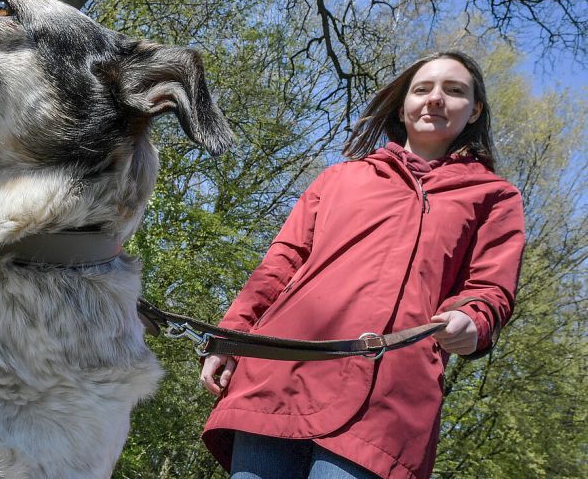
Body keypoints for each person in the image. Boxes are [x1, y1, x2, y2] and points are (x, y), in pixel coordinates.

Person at [199, 51, 525, 479]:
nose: (436, 99)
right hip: (279, 373)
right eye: (422, 89)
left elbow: (491, 289)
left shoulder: (494, 197)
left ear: (475, 109)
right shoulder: (339, 178)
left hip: (388, 400)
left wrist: (473, 320)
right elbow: (280, 263)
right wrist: (230, 337)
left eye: (454, 90)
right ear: (404, 103)